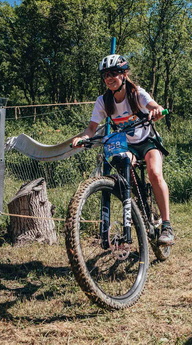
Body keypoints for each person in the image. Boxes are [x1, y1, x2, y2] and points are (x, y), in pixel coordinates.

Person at [71, 54, 174, 245]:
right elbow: (91, 128)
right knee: (123, 170)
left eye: (114, 73)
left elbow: (154, 106)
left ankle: (167, 226)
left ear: (124, 74)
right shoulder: (103, 101)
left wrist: (157, 111)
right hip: (126, 145)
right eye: (105, 75)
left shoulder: (137, 94)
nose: (109, 78)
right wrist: (83, 138)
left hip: (147, 141)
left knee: (154, 173)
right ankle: (139, 202)